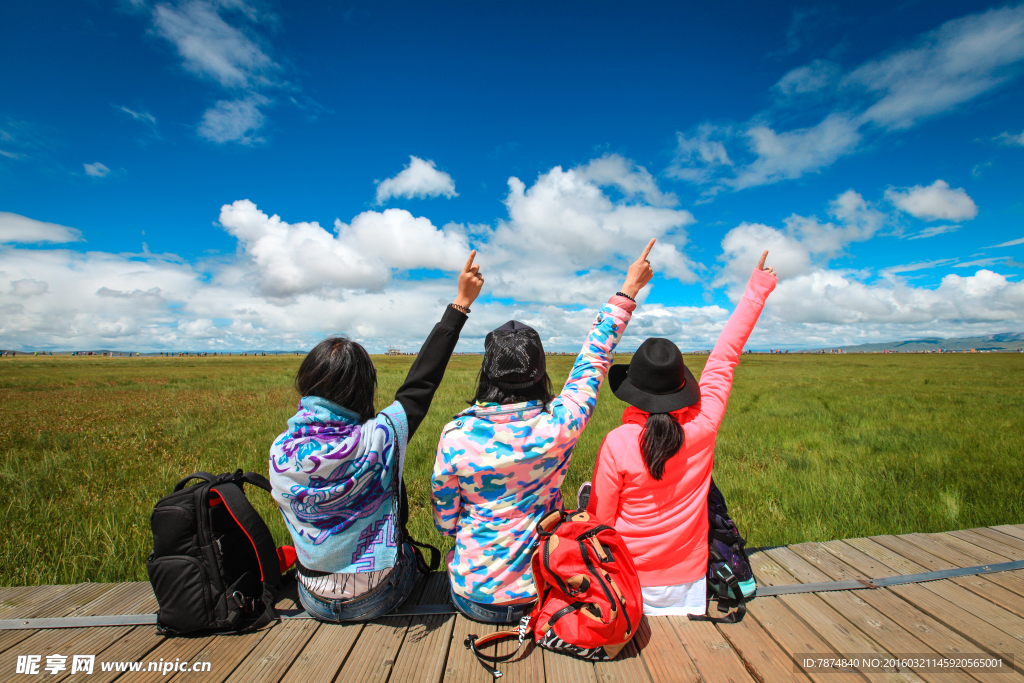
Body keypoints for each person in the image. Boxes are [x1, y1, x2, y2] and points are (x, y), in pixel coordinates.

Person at [431, 239, 656, 624]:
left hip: (472, 598)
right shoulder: (561, 422)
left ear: (487, 372)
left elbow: (444, 521)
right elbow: (594, 358)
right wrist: (627, 292)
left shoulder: (456, 435)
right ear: (540, 373)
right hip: (543, 588)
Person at [269, 251, 485, 622]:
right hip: (379, 593)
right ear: (363, 390)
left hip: (312, 597)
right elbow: (420, 386)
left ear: (306, 385)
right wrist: (460, 304)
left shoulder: (280, 451)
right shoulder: (380, 437)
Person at [580, 250, 776, 616]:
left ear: (633, 389)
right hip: (689, 587)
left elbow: (602, 522)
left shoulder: (618, 443)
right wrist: (757, 289)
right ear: (682, 385)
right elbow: (724, 359)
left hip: (626, 582)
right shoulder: (704, 426)